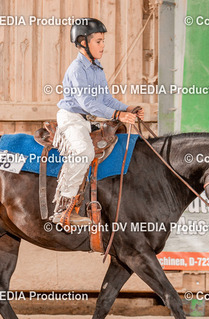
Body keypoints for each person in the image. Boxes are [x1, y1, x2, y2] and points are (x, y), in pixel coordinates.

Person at [51, 18, 144, 227]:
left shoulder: (96, 68)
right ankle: (63, 209)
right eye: (98, 41)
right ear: (83, 42)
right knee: (83, 152)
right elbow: (87, 103)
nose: (103, 46)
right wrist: (118, 115)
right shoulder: (77, 69)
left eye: (103, 41)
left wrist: (127, 108)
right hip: (71, 118)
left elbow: (106, 100)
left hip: (86, 121)